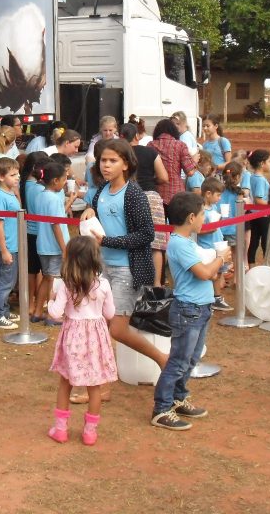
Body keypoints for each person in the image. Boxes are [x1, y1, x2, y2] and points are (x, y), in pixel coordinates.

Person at [76, 139, 168, 405]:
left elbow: (146, 235)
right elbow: (97, 214)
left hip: (127, 269)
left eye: (112, 161)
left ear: (126, 164)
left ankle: (163, 359)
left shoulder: (135, 194)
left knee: (116, 329)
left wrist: (108, 241)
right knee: (101, 327)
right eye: (103, 160)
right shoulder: (101, 192)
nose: (106, 165)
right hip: (103, 269)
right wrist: (90, 210)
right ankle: (102, 387)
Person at [151, 192, 221, 430]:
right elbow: (204, 273)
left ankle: (178, 398)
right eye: (202, 214)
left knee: (190, 359)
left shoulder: (187, 242)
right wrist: (220, 259)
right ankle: (161, 409)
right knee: (179, 361)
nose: (204, 219)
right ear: (191, 217)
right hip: (188, 310)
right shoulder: (180, 244)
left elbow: (205, 273)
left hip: (199, 308)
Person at [46, 236, 118, 446]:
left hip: (72, 338)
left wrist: (50, 299)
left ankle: (60, 430)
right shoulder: (103, 284)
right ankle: (90, 433)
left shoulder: (66, 285)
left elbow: (55, 313)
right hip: (96, 338)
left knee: (65, 381)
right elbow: (110, 313)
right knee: (94, 385)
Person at [33, 162, 72, 328]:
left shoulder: (40, 196)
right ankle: (52, 314)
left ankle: (37, 312)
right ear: (55, 180)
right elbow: (56, 225)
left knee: (47, 277)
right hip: (55, 246)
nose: (65, 182)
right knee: (55, 281)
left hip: (43, 245)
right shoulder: (54, 199)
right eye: (64, 179)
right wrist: (64, 248)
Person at [131, 126, 169, 286]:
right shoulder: (150, 152)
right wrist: (152, 181)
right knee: (156, 242)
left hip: (129, 196)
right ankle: (157, 284)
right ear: (137, 136)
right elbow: (164, 177)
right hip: (151, 196)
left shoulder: (119, 153)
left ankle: (136, 282)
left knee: (131, 240)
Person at [0, 157, 22, 330]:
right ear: (1, 177)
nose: (17, 177)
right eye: (13, 175)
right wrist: (4, 250)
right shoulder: (0, 196)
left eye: (17, 174)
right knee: (4, 282)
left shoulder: (10, 193)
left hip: (11, 245)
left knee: (7, 281)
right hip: (5, 247)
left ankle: (4, 310)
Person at [21, 151, 51, 321]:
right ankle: (36, 303)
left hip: (29, 231)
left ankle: (31, 304)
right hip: (39, 232)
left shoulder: (25, 184)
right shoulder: (39, 189)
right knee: (42, 271)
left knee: (31, 271)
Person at [199, 177, 234, 311]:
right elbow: (198, 230)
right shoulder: (201, 210)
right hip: (207, 247)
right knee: (210, 274)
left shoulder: (213, 207)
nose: (220, 198)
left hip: (218, 244)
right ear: (208, 193)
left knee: (218, 273)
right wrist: (210, 229)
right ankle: (208, 299)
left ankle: (216, 298)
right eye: (218, 195)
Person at [149, 118, 198, 205]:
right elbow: (190, 172)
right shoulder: (180, 145)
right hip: (176, 194)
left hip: (157, 193)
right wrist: (195, 160)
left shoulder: (151, 145)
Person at [247, 149, 270, 265]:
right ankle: (267, 266)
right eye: (269, 161)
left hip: (252, 213)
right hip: (263, 215)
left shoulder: (252, 176)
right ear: (262, 163)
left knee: (253, 242)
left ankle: (251, 266)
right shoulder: (260, 180)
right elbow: (258, 200)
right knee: (266, 242)